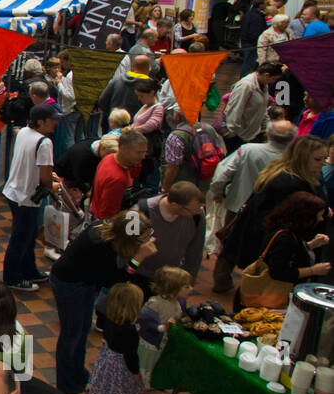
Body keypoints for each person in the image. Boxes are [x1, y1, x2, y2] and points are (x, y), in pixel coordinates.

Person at [49, 210, 158, 394]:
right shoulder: (102, 245)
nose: (146, 241)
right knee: (72, 335)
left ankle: (79, 375)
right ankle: (69, 386)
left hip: (82, 283)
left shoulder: (107, 231)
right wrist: (138, 258)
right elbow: (116, 280)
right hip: (71, 285)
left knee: (81, 332)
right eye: (142, 238)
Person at [221, 134, 328, 284]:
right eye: (318, 159)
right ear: (302, 157)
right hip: (273, 242)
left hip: (265, 237)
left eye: (325, 158)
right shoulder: (290, 182)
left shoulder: (284, 172)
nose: (323, 163)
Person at [1, 104, 58, 292]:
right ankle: (12, 277)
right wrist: (52, 185)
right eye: (52, 119)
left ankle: (29, 270)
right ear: (40, 122)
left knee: (29, 234)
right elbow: (45, 176)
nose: (55, 123)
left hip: (14, 192)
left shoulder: (24, 132)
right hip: (26, 197)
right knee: (21, 238)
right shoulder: (45, 143)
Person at [83, 283, 145, 394]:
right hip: (120, 368)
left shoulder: (110, 320)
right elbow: (131, 355)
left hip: (108, 361)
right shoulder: (129, 330)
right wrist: (136, 372)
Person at [130, 183, 206, 287]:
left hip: (170, 280)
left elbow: (195, 254)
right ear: (175, 205)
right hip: (139, 278)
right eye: (192, 210)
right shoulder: (137, 213)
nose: (197, 212)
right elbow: (123, 257)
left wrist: (188, 284)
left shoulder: (197, 216)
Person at [137, 265, 192, 394]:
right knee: (145, 368)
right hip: (151, 343)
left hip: (163, 342)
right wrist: (162, 327)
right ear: (173, 288)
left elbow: (179, 315)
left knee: (157, 364)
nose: (191, 289)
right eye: (187, 286)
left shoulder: (180, 302)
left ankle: (153, 383)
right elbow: (145, 323)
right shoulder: (155, 303)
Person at [219, 62, 282, 152]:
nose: (273, 82)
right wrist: (235, 132)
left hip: (251, 134)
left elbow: (263, 108)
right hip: (239, 136)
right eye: (274, 79)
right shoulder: (246, 86)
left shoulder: (263, 85)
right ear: (266, 75)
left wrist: (266, 124)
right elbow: (235, 110)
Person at [90, 128, 148, 221]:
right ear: (123, 149)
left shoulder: (109, 157)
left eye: (144, 152)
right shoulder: (117, 179)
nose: (143, 156)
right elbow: (107, 215)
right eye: (139, 152)